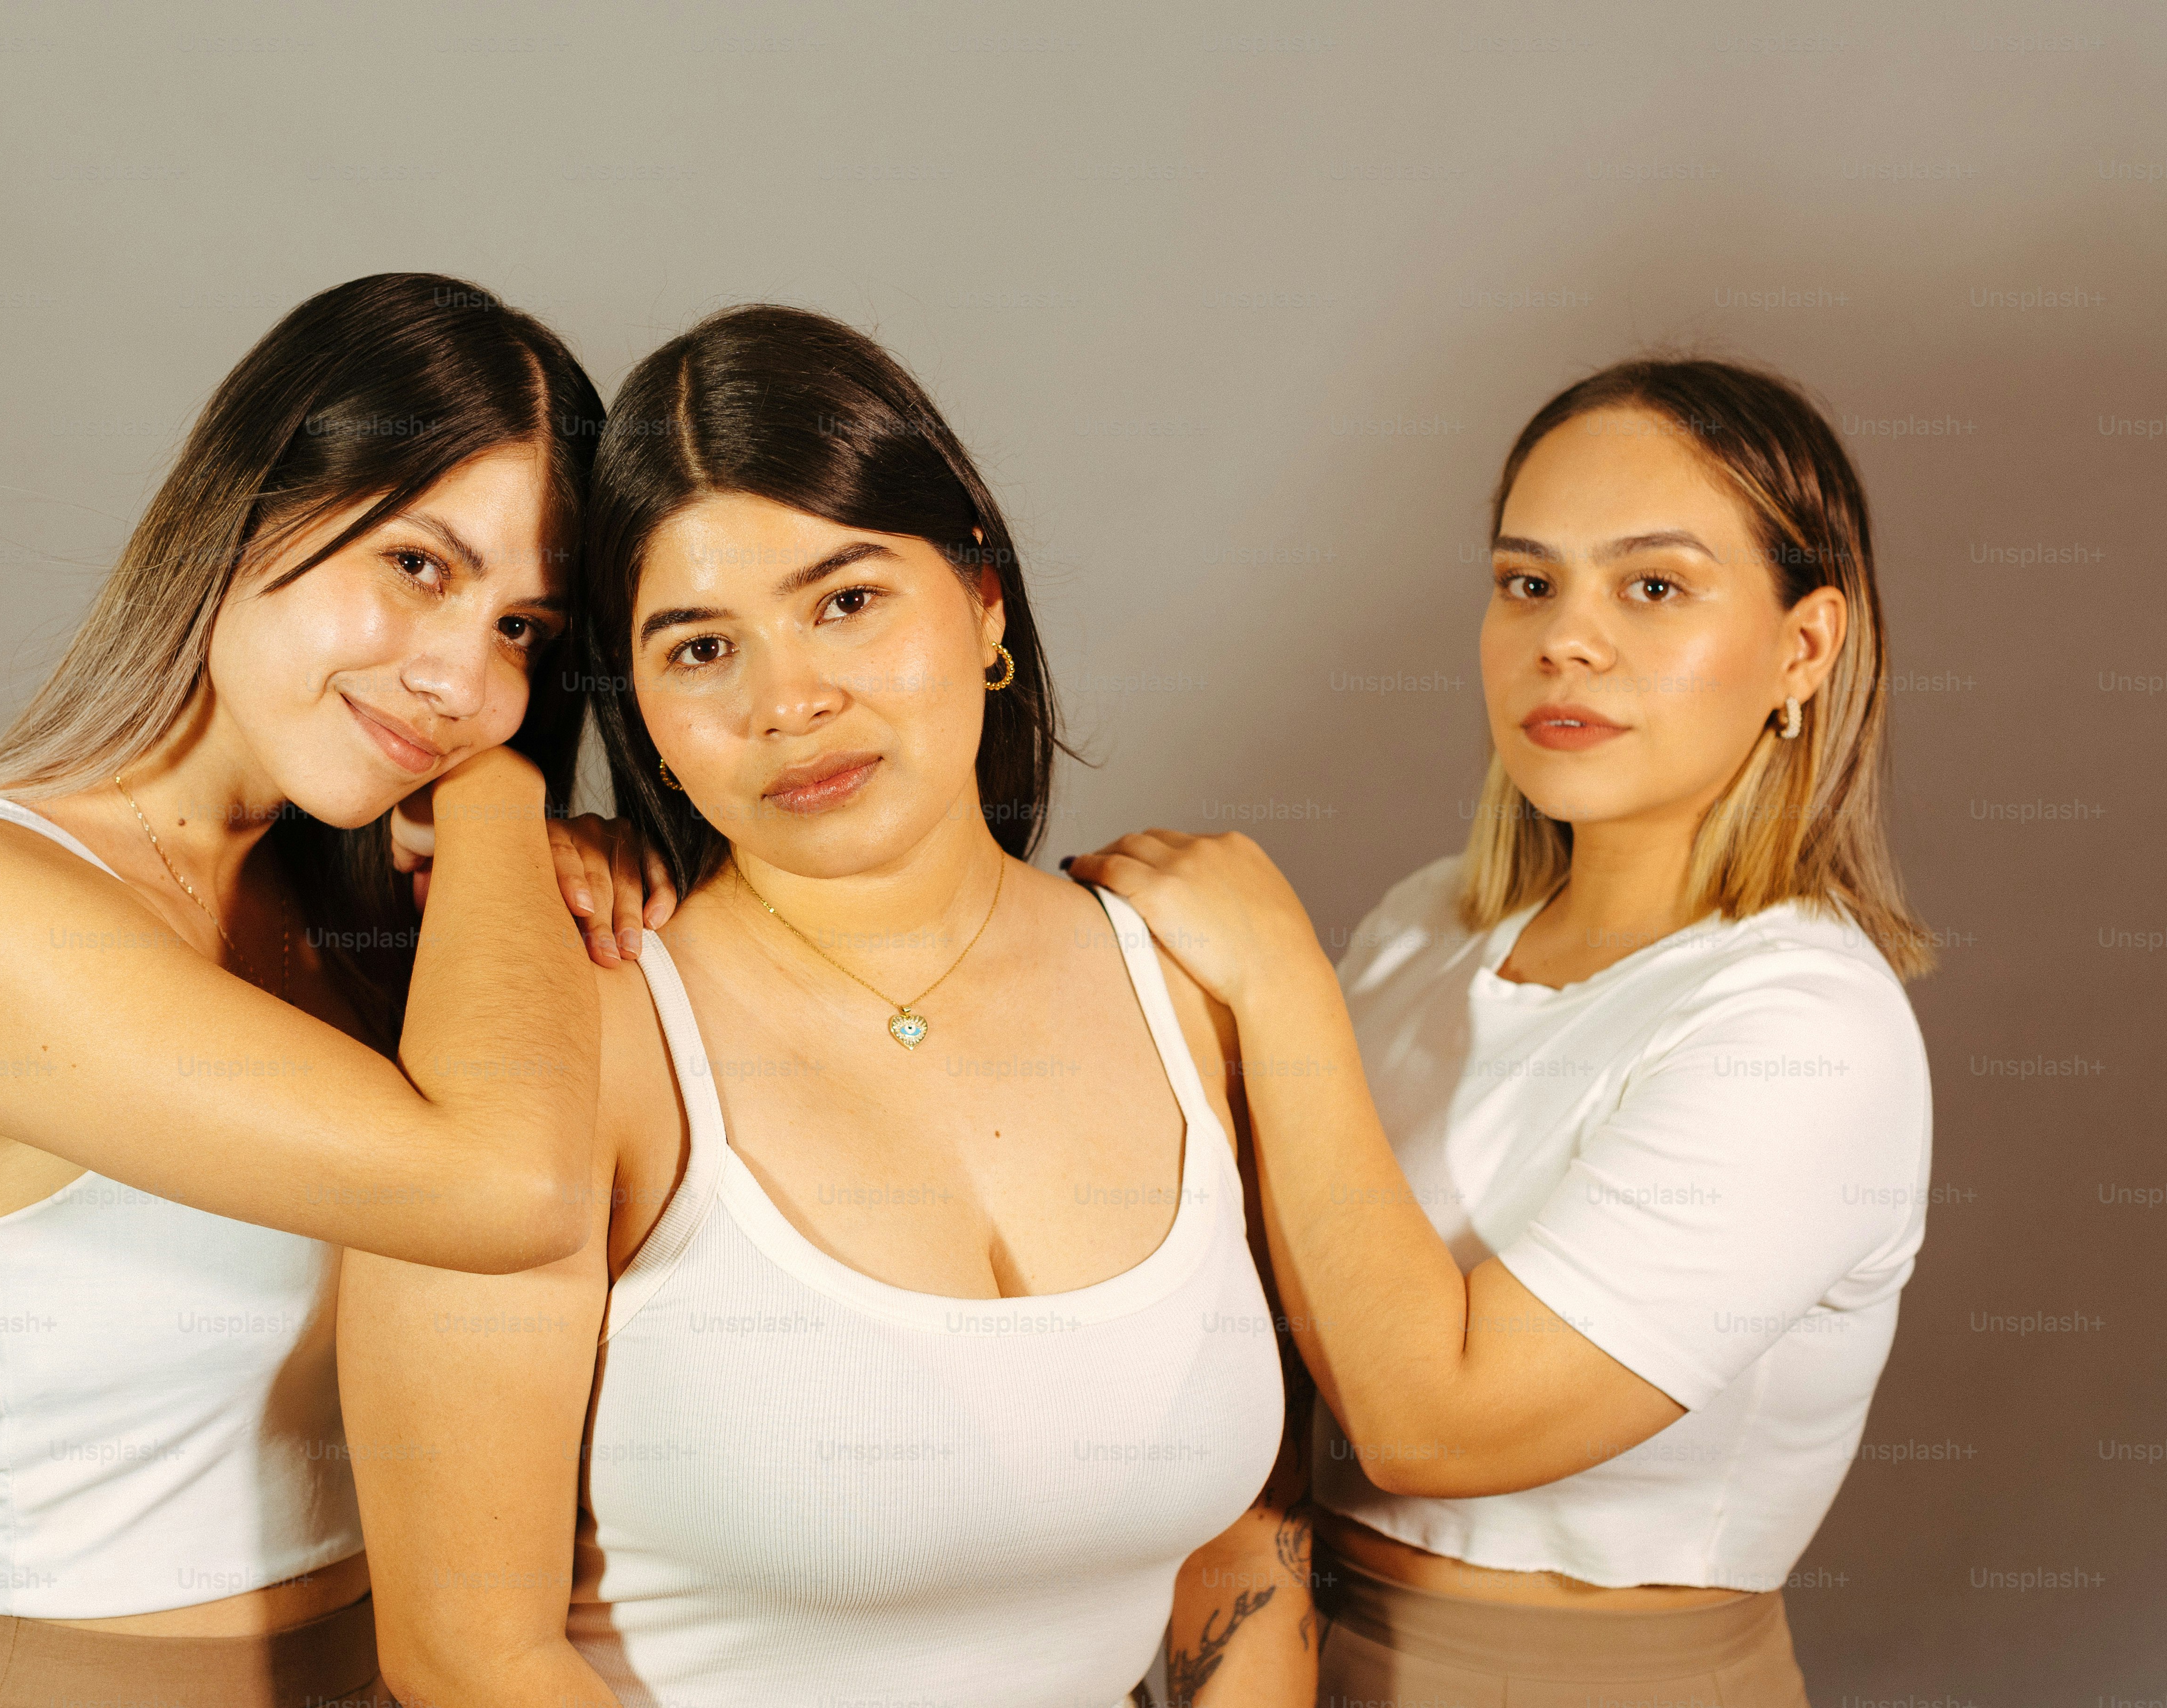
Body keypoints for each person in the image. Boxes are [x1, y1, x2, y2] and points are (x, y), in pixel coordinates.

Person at [337, 305, 1315, 1708]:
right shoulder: (584, 1035)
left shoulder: (1187, 984)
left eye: (846, 602)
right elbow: (462, 1653)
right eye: (698, 649)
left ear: (984, 604)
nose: (788, 702)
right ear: (641, 710)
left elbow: (1243, 1540)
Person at [0, 273, 660, 1708]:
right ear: (248, 510)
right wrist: (503, 806)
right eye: (417, 565)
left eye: (524, 629)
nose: (463, 679)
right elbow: (502, 1195)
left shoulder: (351, 908)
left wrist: (505, 884)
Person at [1073, 358, 1935, 1707]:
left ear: (1803, 647)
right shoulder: (1434, 927)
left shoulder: (1808, 1028)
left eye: (1653, 586)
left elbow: (1431, 1422)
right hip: (1279, 1649)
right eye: (1529, 582)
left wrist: (1280, 984)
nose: (1566, 639)